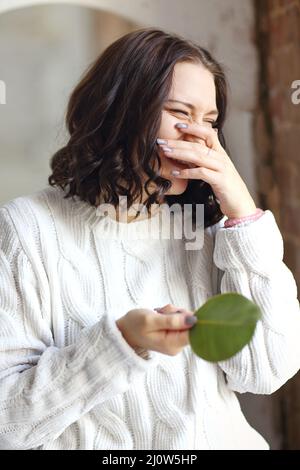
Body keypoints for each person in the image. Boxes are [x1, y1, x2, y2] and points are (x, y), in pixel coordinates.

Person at [0, 27, 299, 451]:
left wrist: (244, 215)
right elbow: (7, 425)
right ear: (119, 111)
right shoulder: (27, 230)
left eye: (209, 121)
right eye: (180, 113)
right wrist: (121, 343)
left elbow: (267, 372)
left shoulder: (209, 229)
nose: (198, 136)